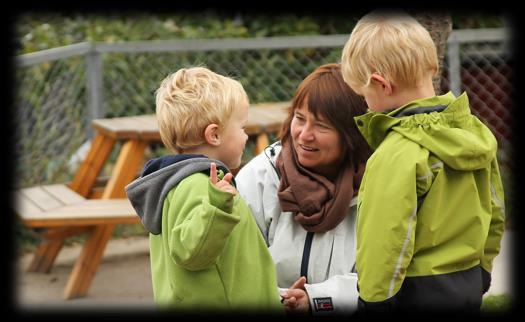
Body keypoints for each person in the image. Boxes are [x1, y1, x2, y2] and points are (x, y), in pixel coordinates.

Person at [340, 10, 506, 314]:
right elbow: (494, 210)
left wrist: (373, 302)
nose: (366, 104)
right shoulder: (473, 134)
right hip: (467, 284)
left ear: (380, 84)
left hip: (412, 295)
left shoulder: (396, 153)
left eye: (364, 95)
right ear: (431, 65)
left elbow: (385, 240)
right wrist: (481, 270)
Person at [125, 66, 283, 314]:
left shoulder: (176, 182)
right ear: (215, 134)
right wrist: (216, 207)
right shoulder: (198, 185)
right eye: (241, 127)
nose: (245, 137)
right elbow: (192, 252)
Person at [235, 63, 372, 317]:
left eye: (321, 126)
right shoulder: (258, 179)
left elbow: (383, 280)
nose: (304, 135)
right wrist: (280, 299)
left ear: (351, 134)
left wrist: (316, 299)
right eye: (299, 119)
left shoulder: (375, 187)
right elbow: (237, 269)